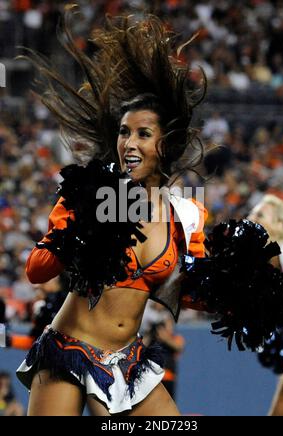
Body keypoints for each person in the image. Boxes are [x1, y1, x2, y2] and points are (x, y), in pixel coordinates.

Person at [16, 10, 208, 416]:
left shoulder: (187, 214)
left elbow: (191, 294)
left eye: (143, 133)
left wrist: (248, 293)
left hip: (128, 363)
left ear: (166, 144)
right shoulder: (89, 194)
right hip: (68, 351)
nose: (129, 143)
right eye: (123, 132)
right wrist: (77, 233)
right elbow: (36, 270)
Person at [248, 195, 283, 416]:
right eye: (250, 213)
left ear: (280, 225)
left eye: (260, 214)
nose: (250, 218)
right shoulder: (256, 273)